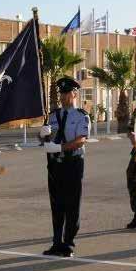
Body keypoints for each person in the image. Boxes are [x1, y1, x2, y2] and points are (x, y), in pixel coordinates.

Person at [38, 76, 90, 258]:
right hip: (54, 165)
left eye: (66, 93)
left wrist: (59, 147)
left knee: (71, 205)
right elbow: (45, 140)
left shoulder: (81, 116)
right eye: (61, 93)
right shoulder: (52, 116)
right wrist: (42, 134)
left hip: (73, 164)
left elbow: (80, 141)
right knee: (56, 204)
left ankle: (68, 243)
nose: (63, 97)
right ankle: (56, 242)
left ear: (75, 94)